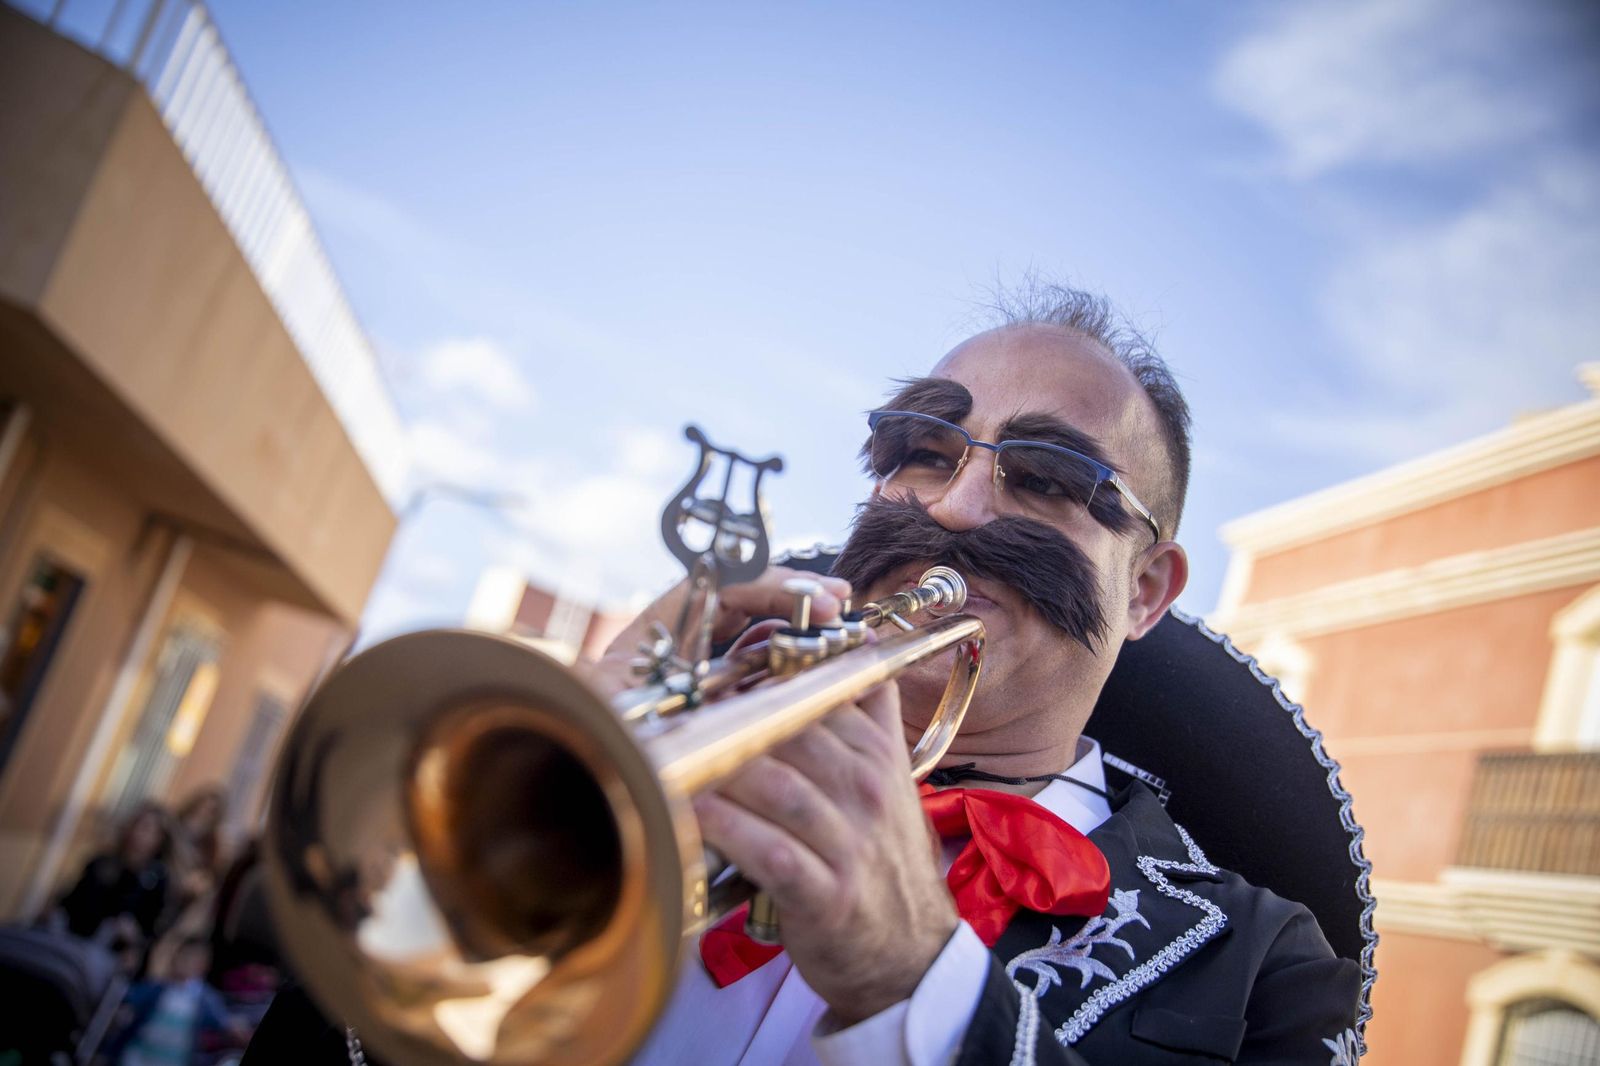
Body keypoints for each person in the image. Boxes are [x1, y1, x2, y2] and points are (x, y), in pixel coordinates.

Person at [245, 283, 1362, 1064]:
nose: (954, 506)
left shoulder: (1261, 965)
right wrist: (554, 779)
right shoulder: (671, 768)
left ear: (1147, 589)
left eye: (1044, 478)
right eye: (922, 451)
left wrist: (915, 986)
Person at [56, 802, 172, 973]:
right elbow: (72, 902)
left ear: (159, 839)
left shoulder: (157, 878)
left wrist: (135, 938)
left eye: (147, 829)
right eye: (137, 825)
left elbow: (155, 926)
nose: (138, 833)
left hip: (113, 959)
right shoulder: (102, 863)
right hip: (75, 944)